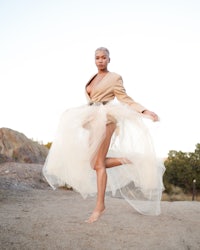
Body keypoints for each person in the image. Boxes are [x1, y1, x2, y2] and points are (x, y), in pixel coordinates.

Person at [43, 47, 165, 223]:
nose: (100, 60)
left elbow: (125, 99)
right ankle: (132, 159)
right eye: (97, 58)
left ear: (109, 59)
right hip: (92, 118)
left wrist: (144, 110)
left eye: (103, 58)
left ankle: (99, 206)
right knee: (93, 163)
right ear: (94, 60)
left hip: (106, 119)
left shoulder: (115, 78)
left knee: (99, 164)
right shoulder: (92, 78)